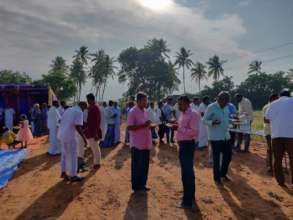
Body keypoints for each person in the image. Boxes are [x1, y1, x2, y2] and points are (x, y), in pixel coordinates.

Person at [172, 96, 200, 210]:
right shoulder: (183, 113)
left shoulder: (193, 114)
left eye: (181, 104)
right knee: (188, 172)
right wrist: (176, 125)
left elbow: (193, 132)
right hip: (183, 145)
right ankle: (190, 196)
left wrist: (178, 128)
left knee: (186, 173)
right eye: (178, 104)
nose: (179, 106)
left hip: (187, 145)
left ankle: (187, 201)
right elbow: (183, 127)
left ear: (188, 104)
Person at [265, 89, 293, 188]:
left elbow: (266, 118)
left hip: (276, 135)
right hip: (290, 135)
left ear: (280, 96)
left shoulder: (272, 104)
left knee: (277, 159)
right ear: (289, 95)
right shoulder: (292, 101)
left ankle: (280, 181)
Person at [203, 92, 232, 185]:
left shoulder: (226, 107)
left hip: (225, 135)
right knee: (216, 158)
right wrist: (212, 122)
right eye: (223, 100)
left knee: (228, 156)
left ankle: (223, 174)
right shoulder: (211, 107)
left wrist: (232, 121)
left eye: (227, 101)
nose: (225, 102)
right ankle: (217, 178)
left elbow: (226, 119)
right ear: (219, 99)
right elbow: (204, 120)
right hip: (215, 136)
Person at [127, 92, 152, 192]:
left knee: (145, 165)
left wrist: (148, 125)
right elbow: (129, 127)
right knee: (137, 165)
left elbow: (145, 124)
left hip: (146, 142)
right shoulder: (133, 111)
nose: (146, 102)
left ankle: (142, 184)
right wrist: (143, 126)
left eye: (146, 100)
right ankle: (136, 186)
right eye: (144, 100)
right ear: (138, 101)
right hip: (137, 144)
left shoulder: (145, 111)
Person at [59, 102, 88, 182]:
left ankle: (63, 172)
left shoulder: (68, 110)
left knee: (64, 155)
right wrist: (84, 139)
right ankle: (73, 175)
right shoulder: (78, 112)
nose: (84, 110)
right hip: (70, 137)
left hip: (62, 135)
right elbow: (78, 127)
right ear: (82, 106)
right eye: (84, 108)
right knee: (73, 156)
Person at [84, 94, 102, 169]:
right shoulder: (92, 107)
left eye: (88, 100)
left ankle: (97, 163)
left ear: (91, 100)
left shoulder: (94, 108)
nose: (87, 102)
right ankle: (96, 163)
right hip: (91, 130)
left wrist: (95, 133)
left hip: (93, 131)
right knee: (94, 147)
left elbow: (95, 122)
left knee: (95, 148)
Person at [263, 94, 279, 174]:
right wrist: (277, 121)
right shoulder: (267, 107)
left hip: (276, 131)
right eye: (276, 99)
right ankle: (270, 167)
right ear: (272, 99)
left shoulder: (277, 106)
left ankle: (275, 165)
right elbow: (265, 120)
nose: (278, 100)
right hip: (269, 131)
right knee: (270, 149)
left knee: (276, 149)